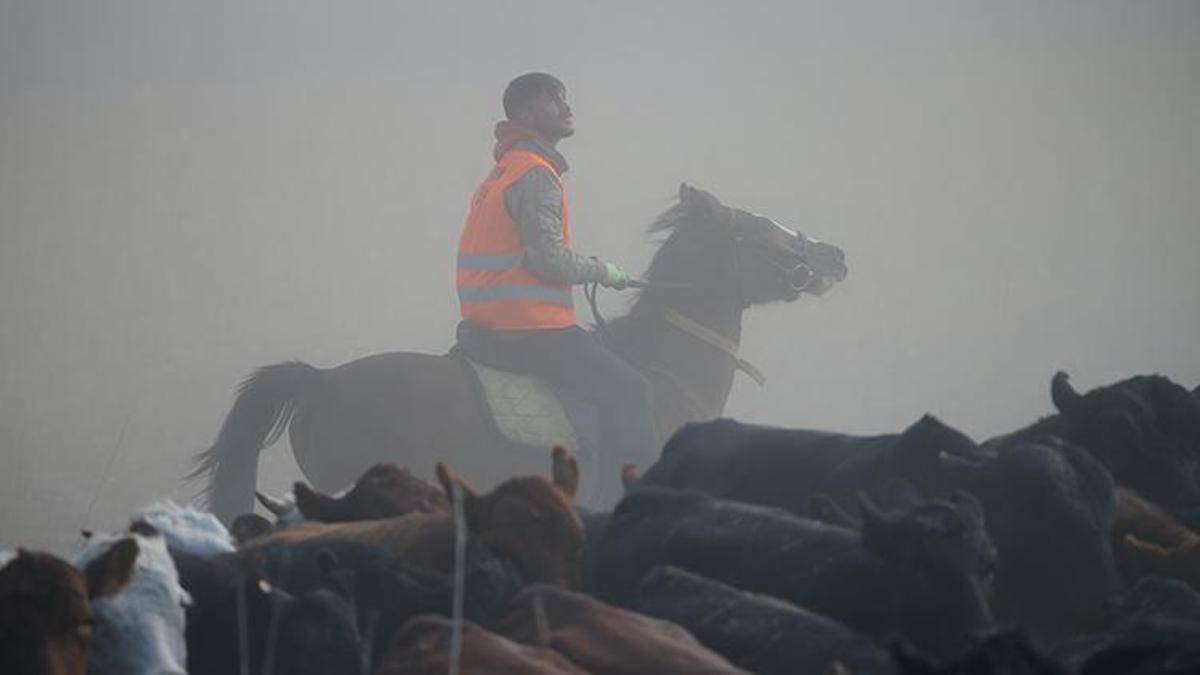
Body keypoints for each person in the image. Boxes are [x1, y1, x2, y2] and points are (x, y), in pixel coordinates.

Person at [455, 72, 660, 480]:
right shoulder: (536, 174)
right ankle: (640, 500)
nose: (567, 107)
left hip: (487, 325)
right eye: (555, 99)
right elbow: (548, 261)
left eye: (565, 98)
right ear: (527, 113)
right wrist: (604, 271)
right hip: (531, 329)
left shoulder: (500, 174)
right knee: (633, 389)